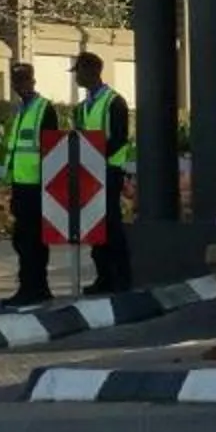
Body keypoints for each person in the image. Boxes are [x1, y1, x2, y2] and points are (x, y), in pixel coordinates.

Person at [69, 50, 133, 297]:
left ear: (92, 71)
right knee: (95, 227)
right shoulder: (81, 108)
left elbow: (118, 138)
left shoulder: (114, 102)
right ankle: (104, 277)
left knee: (111, 226)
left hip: (109, 171)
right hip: (89, 172)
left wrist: (96, 157)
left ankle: (121, 277)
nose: (76, 78)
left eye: (79, 72)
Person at [1, 62, 60, 308]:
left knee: (32, 240)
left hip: (37, 186)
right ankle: (35, 286)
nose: (19, 85)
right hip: (21, 185)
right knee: (23, 239)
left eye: (23, 80)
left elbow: (51, 149)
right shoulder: (22, 110)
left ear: (32, 81)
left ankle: (33, 287)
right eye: (16, 81)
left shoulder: (43, 109)